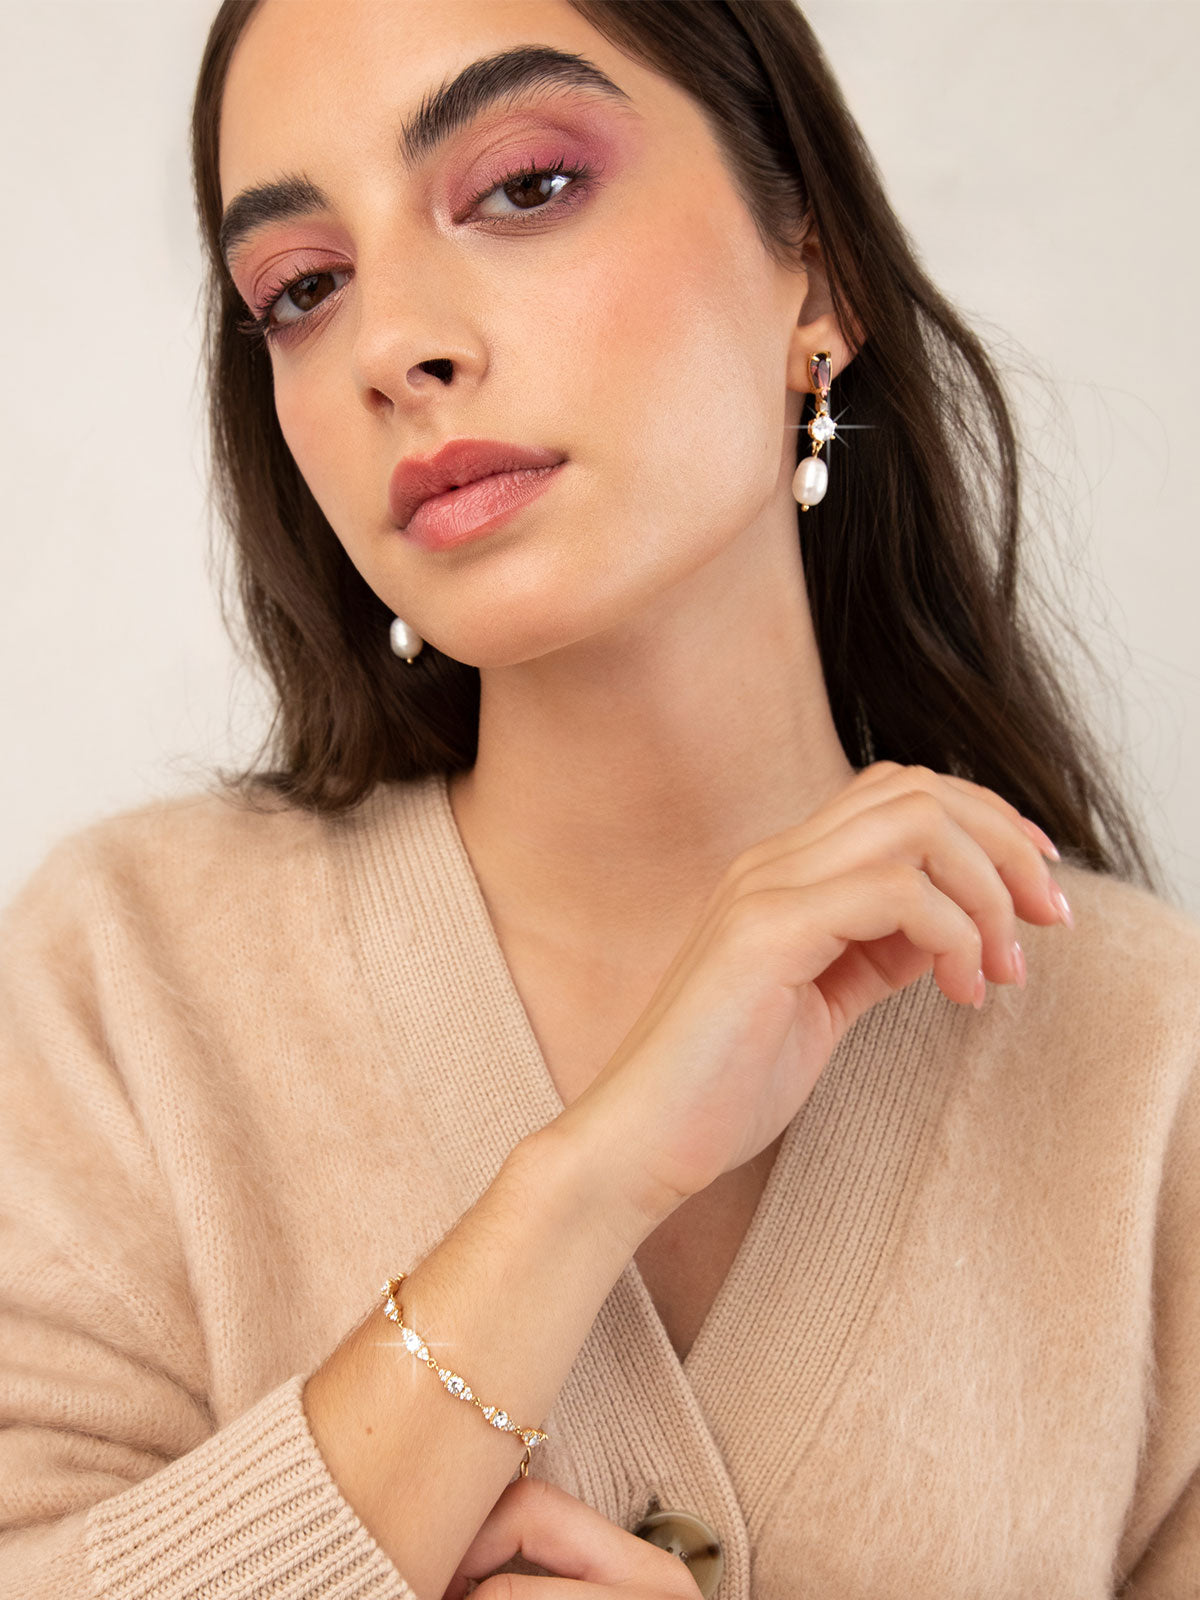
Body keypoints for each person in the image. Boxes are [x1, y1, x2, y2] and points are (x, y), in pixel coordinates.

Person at [1, 2, 1197, 1597]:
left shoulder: (1147, 1063)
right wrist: (585, 1184)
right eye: (302, 288)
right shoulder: (125, 984)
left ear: (819, 272)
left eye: (526, 187)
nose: (392, 348)